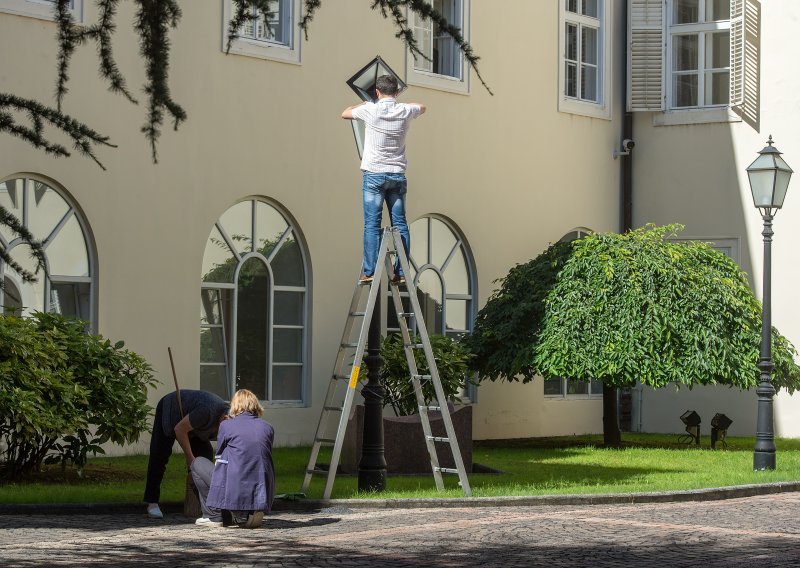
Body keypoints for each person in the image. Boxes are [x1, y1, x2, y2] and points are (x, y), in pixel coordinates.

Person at [341, 74, 426, 284]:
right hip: (397, 175)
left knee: (372, 224)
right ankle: (402, 271)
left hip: (374, 175)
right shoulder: (405, 110)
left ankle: (370, 271)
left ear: (377, 92)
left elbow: (345, 113)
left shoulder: (370, 109)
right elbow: (422, 106)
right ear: (396, 92)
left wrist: (364, 102)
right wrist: (402, 103)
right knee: (400, 224)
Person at [191, 389, 275, 528]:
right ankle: (249, 509)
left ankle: (214, 515)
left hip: (236, 486)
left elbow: (219, 457)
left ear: (235, 405)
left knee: (198, 463)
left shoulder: (226, 425)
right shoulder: (268, 428)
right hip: (262, 489)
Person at [144, 389, 229, 519]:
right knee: (159, 455)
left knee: (204, 457)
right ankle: (152, 503)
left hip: (195, 426)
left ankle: (206, 504)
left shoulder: (230, 423)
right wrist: (190, 457)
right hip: (171, 409)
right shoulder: (207, 411)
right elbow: (180, 429)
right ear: (224, 418)